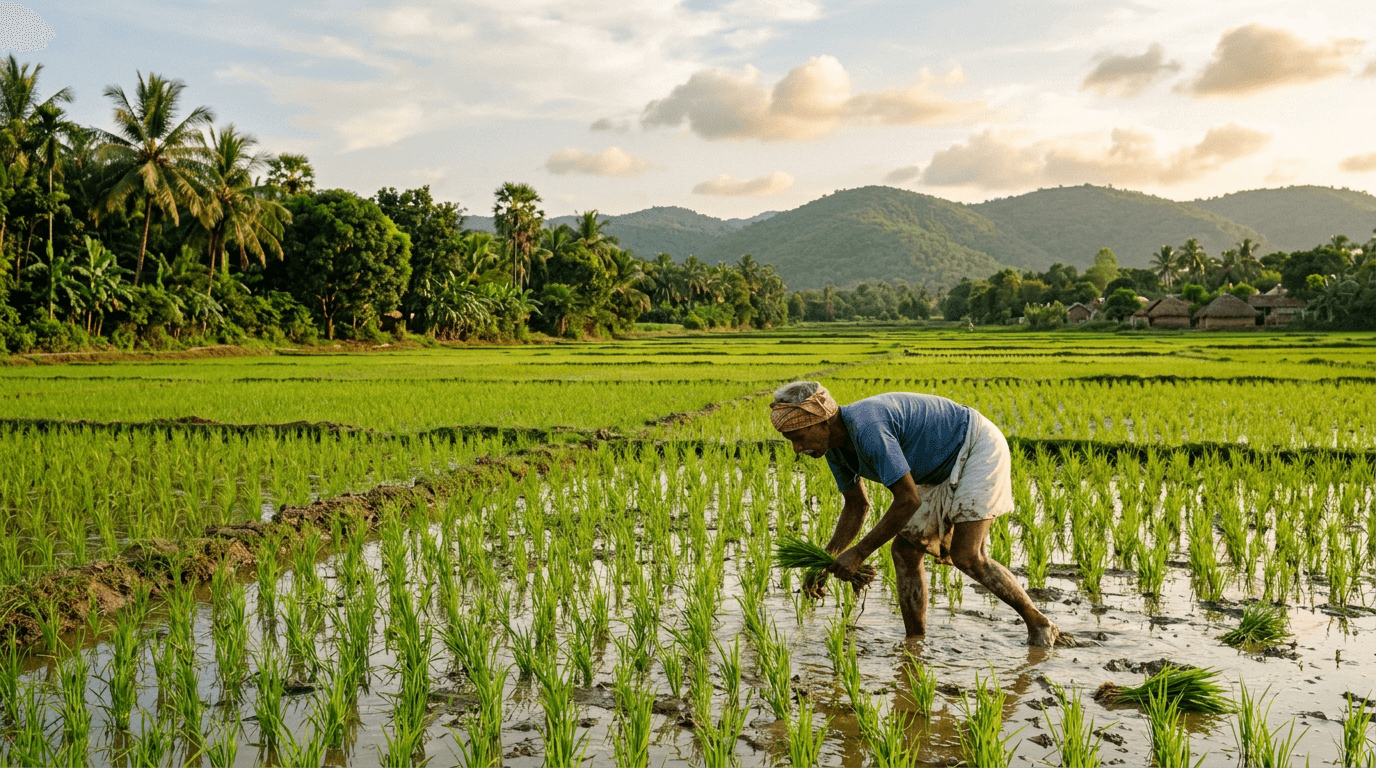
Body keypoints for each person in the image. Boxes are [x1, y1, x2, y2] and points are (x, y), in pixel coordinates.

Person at [770, 381, 1060, 647]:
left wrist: (858, 553)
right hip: (935, 470)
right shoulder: (833, 447)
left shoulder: (867, 426)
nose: (797, 449)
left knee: (968, 555)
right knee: (906, 551)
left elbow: (908, 499)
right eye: (790, 440)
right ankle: (915, 641)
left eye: (799, 437)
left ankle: (1038, 622)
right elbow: (857, 506)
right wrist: (827, 559)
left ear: (822, 420)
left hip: (975, 446)